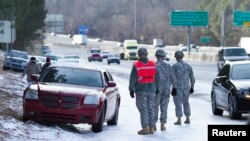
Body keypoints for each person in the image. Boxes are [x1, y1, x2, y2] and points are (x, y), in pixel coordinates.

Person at [129, 47, 157, 135]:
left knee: (143, 109)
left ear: (139, 54)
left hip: (141, 91)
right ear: (147, 54)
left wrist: (131, 89)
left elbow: (133, 78)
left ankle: (145, 128)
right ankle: (152, 128)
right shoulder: (153, 63)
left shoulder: (136, 64)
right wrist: (157, 88)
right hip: (152, 90)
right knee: (151, 109)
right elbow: (157, 77)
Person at [154, 49, 177, 131]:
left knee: (155, 107)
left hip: (157, 89)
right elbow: (173, 77)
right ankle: (162, 125)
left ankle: (154, 125)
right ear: (164, 56)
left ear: (156, 56)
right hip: (166, 89)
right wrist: (174, 88)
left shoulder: (154, 65)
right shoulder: (168, 65)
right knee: (164, 107)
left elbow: (152, 78)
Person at [172, 50, 195, 125]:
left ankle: (179, 120)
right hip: (186, 88)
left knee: (178, 103)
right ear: (182, 57)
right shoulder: (188, 66)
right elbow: (192, 78)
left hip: (178, 88)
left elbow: (173, 78)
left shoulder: (175, 66)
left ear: (176, 57)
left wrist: (174, 88)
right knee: (186, 103)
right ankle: (187, 118)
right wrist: (192, 87)